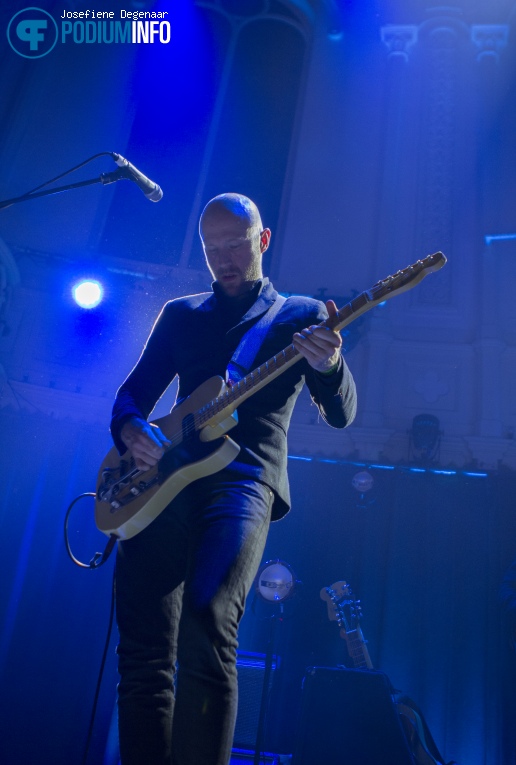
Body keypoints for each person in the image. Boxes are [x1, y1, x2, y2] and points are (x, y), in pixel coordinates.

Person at [110, 193, 357, 765]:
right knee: (143, 649)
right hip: (163, 481)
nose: (223, 258)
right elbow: (133, 392)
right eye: (212, 248)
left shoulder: (300, 315)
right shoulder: (181, 313)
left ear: (262, 241)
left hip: (243, 479)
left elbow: (341, 412)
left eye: (235, 246)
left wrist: (330, 365)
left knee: (207, 621)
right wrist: (130, 430)